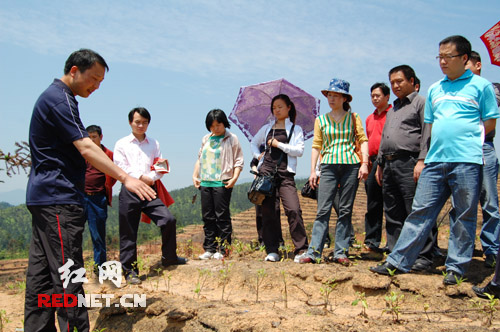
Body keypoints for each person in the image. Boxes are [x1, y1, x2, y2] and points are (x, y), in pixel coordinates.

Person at [25, 49, 156, 332]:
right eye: (93, 79)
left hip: (43, 197)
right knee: (67, 277)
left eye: (100, 81)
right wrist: (126, 178)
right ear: (74, 71)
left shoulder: (56, 97)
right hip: (59, 199)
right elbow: (85, 146)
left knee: (41, 278)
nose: (96, 86)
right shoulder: (61, 99)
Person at [371, 35, 499, 285]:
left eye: (447, 57)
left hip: (467, 160)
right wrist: (425, 158)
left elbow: (491, 120)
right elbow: (428, 125)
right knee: (420, 211)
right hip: (436, 160)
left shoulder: (481, 86)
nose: (441, 61)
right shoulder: (436, 89)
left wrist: (469, 138)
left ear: (464, 58)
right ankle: (397, 262)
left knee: (464, 214)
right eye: (439, 56)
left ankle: (456, 268)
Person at [298, 78, 369, 265]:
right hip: (328, 165)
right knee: (323, 210)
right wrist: (313, 171)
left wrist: (365, 163)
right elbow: (316, 146)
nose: (332, 98)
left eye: (336, 95)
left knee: (345, 210)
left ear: (345, 98)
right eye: (329, 94)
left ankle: (341, 252)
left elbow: (363, 140)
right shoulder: (320, 120)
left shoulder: (354, 118)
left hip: (351, 165)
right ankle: (314, 252)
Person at [114, 107, 186, 285]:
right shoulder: (121, 144)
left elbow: (161, 166)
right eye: (137, 122)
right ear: (130, 122)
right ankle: (130, 272)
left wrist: (150, 178)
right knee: (128, 233)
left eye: (144, 122)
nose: (141, 125)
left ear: (148, 123)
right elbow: (119, 166)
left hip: (149, 190)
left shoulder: (154, 143)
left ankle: (169, 257)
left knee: (168, 219)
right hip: (130, 190)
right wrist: (140, 178)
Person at [375, 65, 436, 271]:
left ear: (412, 81)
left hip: (410, 162)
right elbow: (386, 138)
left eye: (399, 81)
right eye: (392, 82)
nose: (395, 86)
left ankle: (424, 256)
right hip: (389, 164)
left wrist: (422, 160)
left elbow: (427, 133)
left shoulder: (421, 103)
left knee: (416, 210)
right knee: (392, 212)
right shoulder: (394, 109)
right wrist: (380, 164)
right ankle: (395, 255)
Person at [251, 94, 309, 262]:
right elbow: (254, 143)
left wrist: (279, 145)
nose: (276, 110)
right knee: (269, 212)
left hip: (285, 174)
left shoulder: (295, 129)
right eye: (274, 107)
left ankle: (301, 249)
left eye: (280, 107)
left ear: (289, 107)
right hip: (267, 174)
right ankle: (272, 249)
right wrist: (259, 156)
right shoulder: (267, 128)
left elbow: (299, 151)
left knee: (293, 209)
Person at [464, 51, 500, 268]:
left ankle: (492, 249)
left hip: (484, 146)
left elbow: (489, 114)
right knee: (462, 202)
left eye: (467, 65)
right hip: (462, 149)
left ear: (478, 65)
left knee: (489, 202)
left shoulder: (492, 88)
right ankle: (463, 249)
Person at [192, 109, 244, 260]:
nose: (216, 128)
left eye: (218, 124)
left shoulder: (232, 138)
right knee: (208, 216)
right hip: (205, 181)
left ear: (224, 123)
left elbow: (239, 161)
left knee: (222, 216)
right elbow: (199, 158)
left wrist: (234, 178)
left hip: (222, 182)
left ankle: (223, 249)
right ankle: (209, 248)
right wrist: (195, 175)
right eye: (212, 125)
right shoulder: (206, 139)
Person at [363, 83, 391, 253]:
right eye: (372, 95)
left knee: (391, 203)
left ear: (387, 97)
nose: (374, 98)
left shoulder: (393, 114)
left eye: (378, 95)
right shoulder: (369, 118)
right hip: (373, 162)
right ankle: (372, 241)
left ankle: (392, 241)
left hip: (389, 160)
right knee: (373, 202)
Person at [84, 125, 116, 271]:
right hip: (80, 197)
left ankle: (100, 267)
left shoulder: (107, 154)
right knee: (74, 232)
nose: (91, 140)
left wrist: (105, 187)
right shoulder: (82, 153)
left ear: (101, 137)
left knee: (98, 235)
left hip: (98, 198)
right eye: (88, 138)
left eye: (94, 137)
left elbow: (113, 174)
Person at [250, 149, 284, 248]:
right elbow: (253, 163)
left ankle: (279, 241)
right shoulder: (262, 148)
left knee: (275, 210)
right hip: (261, 182)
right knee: (259, 212)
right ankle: (262, 241)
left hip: (274, 181)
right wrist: (256, 171)